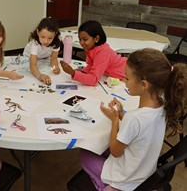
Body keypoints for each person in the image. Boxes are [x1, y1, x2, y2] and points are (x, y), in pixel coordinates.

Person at [80, 48, 187, 191]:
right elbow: (141, 130)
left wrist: (115, 121)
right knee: (100, 147)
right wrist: (121, 115)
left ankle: (107, 187)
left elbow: (115, 152)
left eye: (127, 78)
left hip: (126, 180)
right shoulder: (163, 105)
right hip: (145, 171)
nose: (123, 81)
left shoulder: (135, 118)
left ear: (144, 84)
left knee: (85, 153)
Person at [60, 20, 127, 86]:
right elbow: (92, 65)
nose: (81, 43)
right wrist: (83, 71)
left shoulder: (103, 53)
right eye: (80, 39)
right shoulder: (92, 48)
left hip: (129, 73)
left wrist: (73, 73)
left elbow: (93, 79)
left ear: (96, 39)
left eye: (85, 39)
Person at [23, 17, 61, 85]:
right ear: (38, 32)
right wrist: (41, 76)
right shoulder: (35, 43)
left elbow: (54, 59)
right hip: (29, 57)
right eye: (43, 37)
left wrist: (55, 68)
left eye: (50, 38)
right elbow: (33, 65)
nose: (46, 41)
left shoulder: (56, 42)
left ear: (55, 34)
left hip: (44, 57)